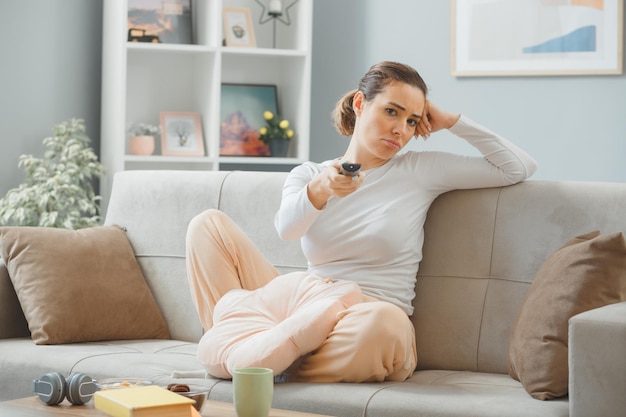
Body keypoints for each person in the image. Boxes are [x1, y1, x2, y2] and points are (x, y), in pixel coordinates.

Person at [186, 61, 537, 384]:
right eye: (391, 112)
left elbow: (517, 167)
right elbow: (288, 229)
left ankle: (266, 363)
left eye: (413, 121)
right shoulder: (309, 174)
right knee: (207, 226)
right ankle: (258, 351)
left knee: (386, 326)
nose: (401, 130)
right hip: (302, 307)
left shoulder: (420, 170)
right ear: (359, 104)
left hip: (363, 318)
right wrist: (322, 189)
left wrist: (452, 121)